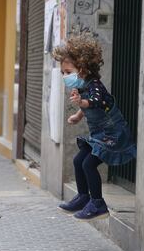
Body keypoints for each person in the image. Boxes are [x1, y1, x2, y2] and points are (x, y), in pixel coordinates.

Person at [53, 32, 136, 221]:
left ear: (82, 68)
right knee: (77, 161)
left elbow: (96, 101)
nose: (65, 76)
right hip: (100, 134)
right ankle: (83, 197)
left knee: (88, 164)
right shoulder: (82, 87)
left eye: (67, 72)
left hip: (114, 134)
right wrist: (77, 115)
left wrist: (81, 104)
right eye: (63, 73)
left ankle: (98, 204)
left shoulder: (95, 85)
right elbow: (89, 105)